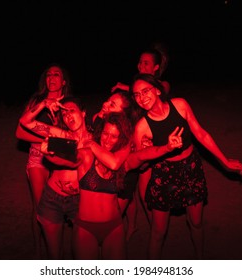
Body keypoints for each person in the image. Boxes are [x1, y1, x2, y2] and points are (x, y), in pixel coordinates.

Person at [130, 73, 242, 259]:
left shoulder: (180, 105)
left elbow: (200, 134)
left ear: (158, 90)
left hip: (191, 168)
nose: (142, 97)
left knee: (196, 222)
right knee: (158, 232)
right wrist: (149, 151)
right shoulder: (141, 128)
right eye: (136, 95)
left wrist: (225, 161)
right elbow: (141, 168)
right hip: (163, 174)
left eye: (145, 91)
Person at [42, 112, 184, 259]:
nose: (107, 139)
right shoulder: (87, 155)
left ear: (121, 139)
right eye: (105, 133)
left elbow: (143, 155)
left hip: (114, 227)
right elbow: (64, 160)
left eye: (114, 136)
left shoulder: (123, 161)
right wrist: (48, 153)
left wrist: (167, 148)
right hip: (85, 227)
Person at [20, 96, 92, 259]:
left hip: (79, 201)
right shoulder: (61, 135)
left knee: (81, 254)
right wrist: (43, 104)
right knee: (54, 256)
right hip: (52, 198)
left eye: (71, 111)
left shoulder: (95, 141)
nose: (68, 116)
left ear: (83, 113)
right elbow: (26, 122)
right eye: (64, 114)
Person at [15, 63, 72, 257]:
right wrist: (48, 138)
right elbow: (20, 132)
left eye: (57, 74)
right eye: (48, 74)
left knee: (59, 206)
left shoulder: (69, 102)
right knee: (40, 206)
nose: (52, 77)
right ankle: (40, 251)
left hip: (62, 158)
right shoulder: (37, 100)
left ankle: (55, 248)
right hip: (38, 156)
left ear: (63, 81)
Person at [111, 42, 171, 225]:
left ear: (156, 67)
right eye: (140, 62)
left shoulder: (162, 85)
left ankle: (157, 231)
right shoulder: (134, 88)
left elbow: (160, 91)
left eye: (146, 63)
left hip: (155, 143)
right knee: (131, 187)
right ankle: (134, 227)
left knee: (151, 192)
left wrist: (127, 88)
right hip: (135, 140)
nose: (141, 66)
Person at [90, 89, 142, 241]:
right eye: (107, 100)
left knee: (115, 214)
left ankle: (128, 229)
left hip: (124, 175)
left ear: (123, 113)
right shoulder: (98, 119)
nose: (106, 104)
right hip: (104, 170)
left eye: (112, 104)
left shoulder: (132, 132)